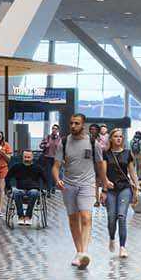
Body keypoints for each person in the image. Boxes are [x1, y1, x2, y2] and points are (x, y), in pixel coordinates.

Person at [56, 111, 102, 269]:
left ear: (83, 125)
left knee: (86, 217)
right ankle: (79, 251)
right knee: (73, 219)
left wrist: (104, 183)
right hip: (69, 185)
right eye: (71, 123)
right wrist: (57, 179)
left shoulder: (93, 143)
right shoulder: (63, 142)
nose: (73, 126)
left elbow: (100, 164)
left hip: (87, 184)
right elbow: (55, 166)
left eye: (77, 123)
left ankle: (84, 252)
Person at [101, 127, 136, 258]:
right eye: (116, 136)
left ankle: (122, 247)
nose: (118, 138)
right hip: (111, 190)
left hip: (124, 188)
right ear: (111, 138)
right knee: (111, 218)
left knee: (121, 216)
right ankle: (111, 238)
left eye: (120, 136)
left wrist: (136, 188)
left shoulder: (127, 153)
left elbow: (132, 172)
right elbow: (103, 173)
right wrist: (105, 185)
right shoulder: (106, 154)